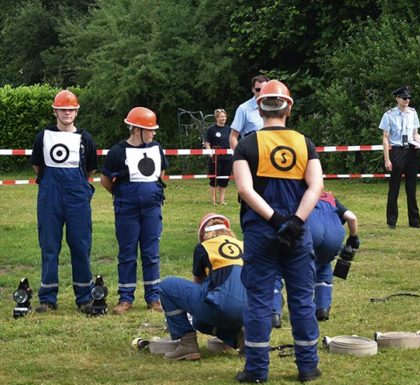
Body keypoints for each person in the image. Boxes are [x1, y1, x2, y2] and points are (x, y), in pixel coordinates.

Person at [233, 79, 323, 383]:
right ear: (289, 108)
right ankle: (307, 367)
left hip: (261, 232)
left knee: (259, 299)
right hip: (298, 234)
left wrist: (275, 221)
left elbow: (245, 189)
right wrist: (296, 221)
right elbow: (316, 186)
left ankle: (256, 370)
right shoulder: (303, 142)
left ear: (259, 107)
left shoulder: (246, 144)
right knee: (301, 298)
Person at [30, 90, 98, 313]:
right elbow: (37, 166)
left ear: (76, 111)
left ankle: (85, 298)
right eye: (63, 109)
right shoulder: (43, 136)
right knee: (49, 246)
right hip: (50, 197)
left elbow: (90, 169)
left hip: (77, 198)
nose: (67, 113)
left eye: (71, 109)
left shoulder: (85, 138)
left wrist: (79, 189)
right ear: (55, 111)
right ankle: (48, 298)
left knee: (80, 245)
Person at [100, 107, 168, 315]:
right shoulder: (117, 152)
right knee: (127, 253)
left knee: (151, 254)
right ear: (137, 130)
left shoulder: (156, 148)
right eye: (150, 129)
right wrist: (124, 195)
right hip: (126, 210)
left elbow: (161, 173)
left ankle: (153, 297)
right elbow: (105, 180)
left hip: (151, 210)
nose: (154, 133)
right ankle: (125, 298)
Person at [159, 213, 246, 361]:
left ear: (203, 234)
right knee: (199, 322)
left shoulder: (204, 247)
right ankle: (239, 336)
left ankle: (187, 343)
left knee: (167, 286)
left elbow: (198, 285)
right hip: (252, 313)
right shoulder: (245, 245)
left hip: (224, 308)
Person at [271, 191, 360, 325]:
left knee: (275, 269)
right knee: (323, 266)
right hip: (334, 236)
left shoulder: (296, 192)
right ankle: (322, 309)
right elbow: (352, 218)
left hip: (310, 229)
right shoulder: (330, 198)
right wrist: (353, 238)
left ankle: (273, 313)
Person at [379, 85, 420, 229]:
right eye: (404, 98)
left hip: (411, 151)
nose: (407, 100)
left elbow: (416, 134)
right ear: (397, 99)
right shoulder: (389, 115)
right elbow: (385, 138)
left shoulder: (413, 113)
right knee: (394, 188)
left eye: (408, 98)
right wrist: (387, 159)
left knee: (412, 187)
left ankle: (415, 222)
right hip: (397, 151)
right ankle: (391, 221)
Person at [229, 74, 269, 150]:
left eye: (264, 89)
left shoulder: (273, 106)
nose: (261, 92)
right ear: (253, 89)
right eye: (258, 90)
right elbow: (233, 137)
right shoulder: (243, 109)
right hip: (251, 153)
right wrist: (240, 156)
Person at [205, 108, 233, 205]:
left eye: (224, 116)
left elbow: (233, 141)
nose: (223, 118)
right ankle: (213, 200)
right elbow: (207, 142)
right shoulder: (211, 129)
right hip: (215, 158)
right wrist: (209, 151)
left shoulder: (229, 129)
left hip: (228, 158)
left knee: (224, 179)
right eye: (221, 116)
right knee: (214, 179)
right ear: (216, 118)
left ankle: (221, 200)